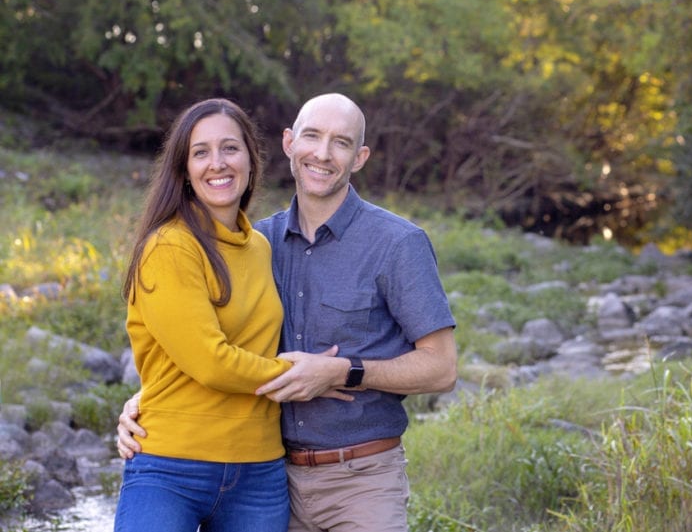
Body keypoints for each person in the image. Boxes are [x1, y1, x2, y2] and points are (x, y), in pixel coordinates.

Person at [118, 93, 458, 532]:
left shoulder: (397, 243)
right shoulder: (258, 242)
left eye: (341, 142)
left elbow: (442, 369)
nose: (322, 153)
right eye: (312, 137)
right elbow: (204, 349)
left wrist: (341, 371)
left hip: (359, 480)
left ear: (360, 157)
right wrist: (147, 399)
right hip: (275, 477)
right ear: (288, 144)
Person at [114, 98, 294, 532]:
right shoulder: (169, 246)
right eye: (201, 152)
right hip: (170, 468)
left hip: (259, 472)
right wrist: (299, 374)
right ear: (185, 169)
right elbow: (209, 361)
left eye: (230, 148)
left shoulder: (260, 248)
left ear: (251, 159)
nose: (218, 163)